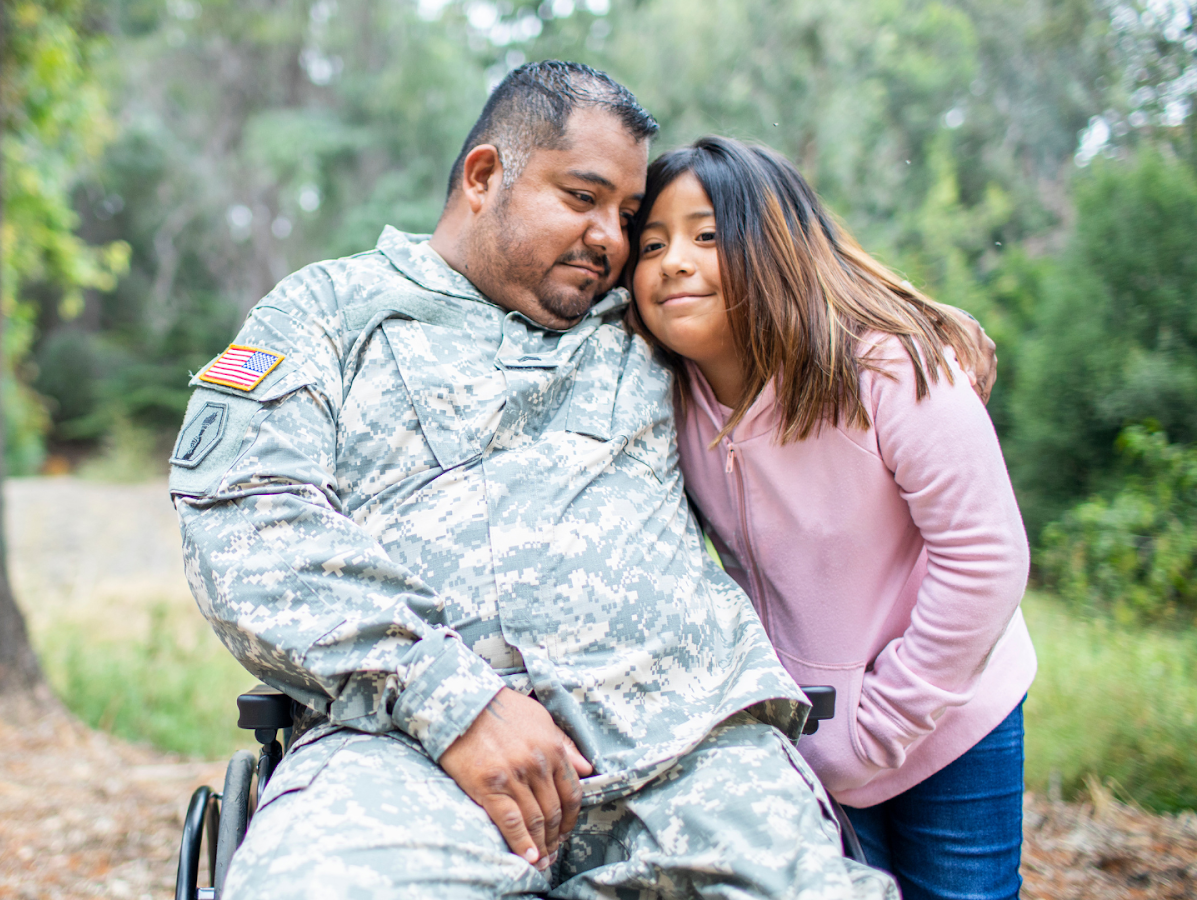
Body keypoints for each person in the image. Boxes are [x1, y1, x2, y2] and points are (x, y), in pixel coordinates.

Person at [171, 62, 896, 899]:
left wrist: (929, 334)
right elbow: (242, 517)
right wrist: (446, 697)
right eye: (581, 198)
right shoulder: (327, 312)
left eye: (628, 215)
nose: (613, 239)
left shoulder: (646, 316)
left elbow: (792, 290)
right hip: (408, 751)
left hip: (687, 751)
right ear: (484, 176)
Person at [627, 135, 1034, 900]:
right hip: (812, 731)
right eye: (652, 243)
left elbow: (986, 557)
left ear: (775, 245)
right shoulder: (660, 395)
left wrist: (880, 727)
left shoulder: (890, 368)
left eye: (708, 235)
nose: (675, 260)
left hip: (950, 710)